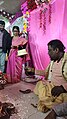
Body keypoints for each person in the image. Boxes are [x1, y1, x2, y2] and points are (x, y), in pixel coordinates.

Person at [25, 39, 67, 112]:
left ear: (56, 50)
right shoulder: (53, 61)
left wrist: (62, 88)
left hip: (61, 91)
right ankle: (48, 101)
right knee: (40, 84)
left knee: (61, 98)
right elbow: (46, 73)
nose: (48, 53)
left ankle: (47, 102)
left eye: (49, 50)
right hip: (51, 86)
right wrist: (33, 71)